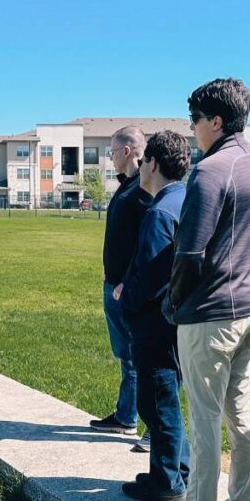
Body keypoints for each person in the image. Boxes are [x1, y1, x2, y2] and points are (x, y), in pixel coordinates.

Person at [139, 78, 250, 501]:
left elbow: (190, 253)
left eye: (195, 119)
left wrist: (173, 304)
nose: (192, 128)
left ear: (215, 121)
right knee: (241, 413)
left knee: (204, 419)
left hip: (212, 313)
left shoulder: (212, 169)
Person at [114, 131, 191, 501]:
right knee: (167, 401)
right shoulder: (185, 200)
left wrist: (125, 296)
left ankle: (166, 482)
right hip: (178, 322)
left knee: (157, 403)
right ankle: (178, 469)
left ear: (153, 164)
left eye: (144, 160)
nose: (140, 166)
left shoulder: (160, 211)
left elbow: (151, 276)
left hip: (155, 325)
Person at [90, 125, 150, 443]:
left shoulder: (142, 189)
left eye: (112, 152)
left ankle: (152, 426)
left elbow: (146, 242)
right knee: (126, 355)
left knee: (138, 356)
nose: (110, 158)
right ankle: (126, 416)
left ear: (126, 151)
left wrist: (126, 281)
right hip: (113, 282)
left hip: (124, 288)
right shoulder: (126, 186)